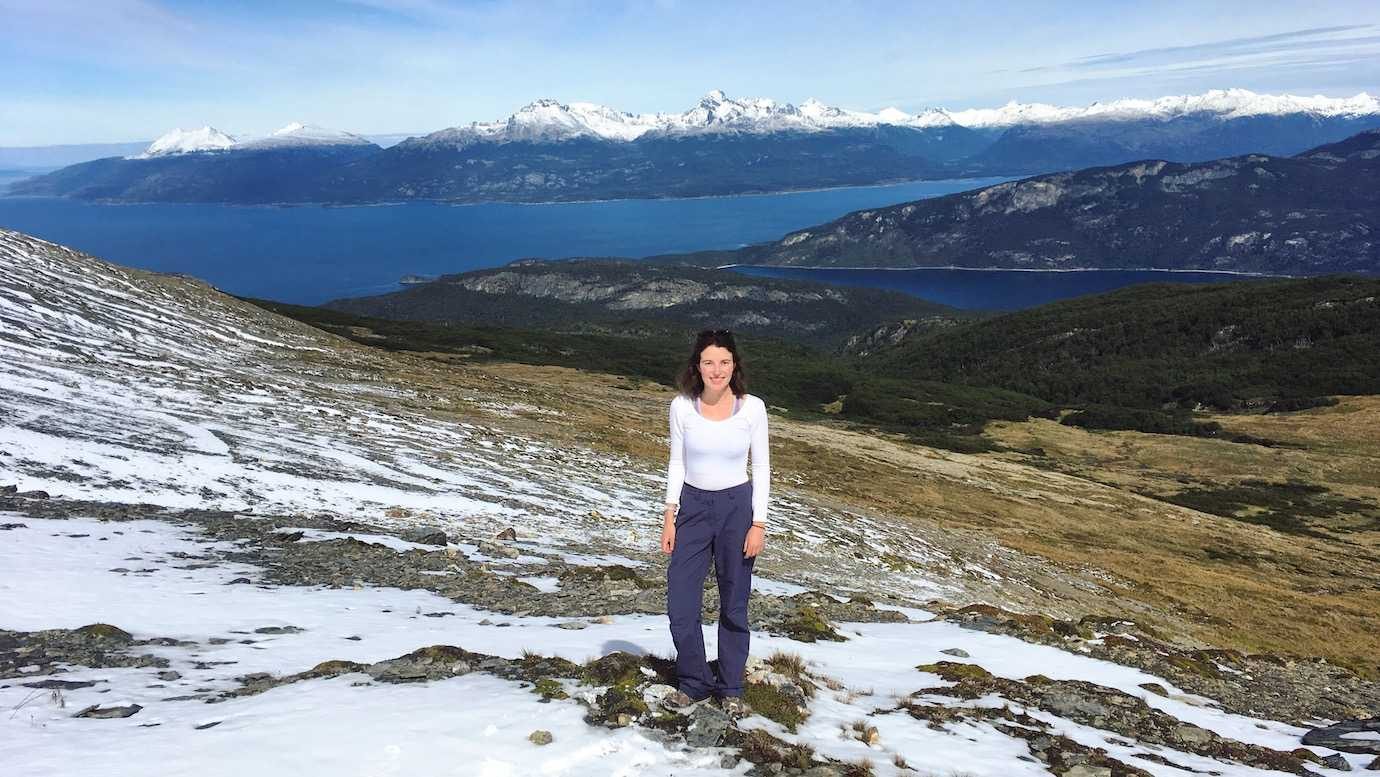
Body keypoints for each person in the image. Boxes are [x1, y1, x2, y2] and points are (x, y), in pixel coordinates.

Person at [661, 328, 769, 706]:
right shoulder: (682, 406)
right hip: (692, 507)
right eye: (709, 362)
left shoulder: (752, 408)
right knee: (680, 603)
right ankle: (694, 681)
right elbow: (677, 461)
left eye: (724, 362)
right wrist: (669, 513)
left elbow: (764, 468)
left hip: (737, 509)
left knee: (734, 603)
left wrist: (758, 523)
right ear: (698, 366)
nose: (716, 369)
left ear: (734, 365)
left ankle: (730, 687)